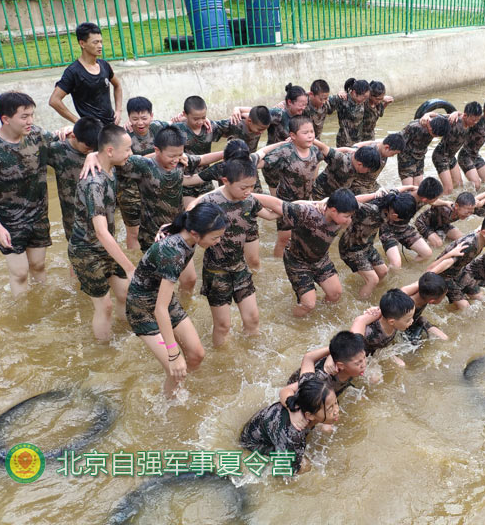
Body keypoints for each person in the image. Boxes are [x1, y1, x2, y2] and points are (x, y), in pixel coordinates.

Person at [87, 125, 223, 292]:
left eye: (179, 154)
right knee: (158, 287)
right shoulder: (143, 165)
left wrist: (226, 154)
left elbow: (201, 159)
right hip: (153, 235)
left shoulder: (180, 160)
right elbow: (110, 156)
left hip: (178, 229)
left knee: (190, 280)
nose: (176, 159)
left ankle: (180, 311)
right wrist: (91, 156)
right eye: (171, 156)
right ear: (157, 150)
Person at [126, 203, 227, 397]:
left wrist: (165, 227)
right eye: (215, 237)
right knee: (176, 371)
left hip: (162, 297)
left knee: (197, 355)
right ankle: (169, 406)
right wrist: (173, 355)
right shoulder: (173, 255)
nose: (218, 241)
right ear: (196, 234)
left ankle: (183, 386)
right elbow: (159, 310)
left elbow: (174, 223)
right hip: (142, 307)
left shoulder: (186, 232)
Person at [0, 92, 61, 295]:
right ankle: (22, 319)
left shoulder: (37, 135)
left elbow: (67, 138)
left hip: (38, 216)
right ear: (5, 119)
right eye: (24, 116)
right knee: (20, 273)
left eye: (32, 115)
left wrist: (69, 130)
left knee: (39, 266)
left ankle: (41, 311)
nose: (30, 121)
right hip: (9, 221)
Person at [191, 159, 278, 345]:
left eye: (252, 186)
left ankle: (252, 356)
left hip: (240, 268)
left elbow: (271, 215)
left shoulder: (249, 201)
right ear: (225, 181)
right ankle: (221, 362)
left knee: (253, 318)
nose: (248, 191)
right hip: (216, 272)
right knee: (223, 326)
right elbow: (189, 224)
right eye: (243, 187)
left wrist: (302, 208)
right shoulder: (210, 202)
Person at [68, 125, 134, 341]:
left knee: (125, 294)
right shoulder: (94, 182)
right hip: (86, 251)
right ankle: (103, 353)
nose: (130, 154)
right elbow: (101, 232)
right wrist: (130, 266)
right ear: (110, 151)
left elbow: (144, 159)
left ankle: (126, 335)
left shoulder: (112, 165)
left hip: (105, 247)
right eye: (127, 150)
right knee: (104, 306)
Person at [252, 188, 358, 317]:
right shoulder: (308, 212)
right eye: (347, 216)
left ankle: (321, 317)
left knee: (335, 293)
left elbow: (359, 200)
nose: (349, 220)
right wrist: (246, 194)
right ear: (333, 210)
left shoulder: (341, 212)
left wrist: (323, 200)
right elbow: (277, 204)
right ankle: (296, 323)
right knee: (308, 304)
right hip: (297, 262)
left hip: (320, 259)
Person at [241, 376, 338, 476]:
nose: (336, 411)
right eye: (330, 409)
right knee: (305, 466)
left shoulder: (312, 389)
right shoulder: (293, 435)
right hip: (254, 444)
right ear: (310, 415)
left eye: (336, 403)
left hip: (268, 427)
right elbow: (285, 471)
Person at [260, 114, 329, 257]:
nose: (310, 136)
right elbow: (261, 163)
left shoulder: (315, 149)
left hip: (307, 199)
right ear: (293, 135)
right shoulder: (285, 152)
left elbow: (325, 157)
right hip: (286, 202)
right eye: (305, 133)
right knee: (284, 239)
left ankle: (300, 259)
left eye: (312, 132)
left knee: (306, 236)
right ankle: (278, 265)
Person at [338, 189, 417, 299]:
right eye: (401, 219)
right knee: (373, 280)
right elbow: (349, 202)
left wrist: (411, 186)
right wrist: (373, 194)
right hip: (351, 248)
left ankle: (369, 291)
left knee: (383, 272)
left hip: (367, 245)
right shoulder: (369, 210)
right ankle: (361, 304)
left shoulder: (392, 199)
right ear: (394, 215)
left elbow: (396, 189)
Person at [427, 211, 485, 310]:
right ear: (484, 233)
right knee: (465, 307)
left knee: (480, 298)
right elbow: (447, 262)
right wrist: (430, 274)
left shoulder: (483, 238)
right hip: (444, 275)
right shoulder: (469, 245)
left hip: (459, 271)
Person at [118, 97, 171, 249]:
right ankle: (135, 266)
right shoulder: (123, 136)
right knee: (133, 233)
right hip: (130, 190)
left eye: (144, 118)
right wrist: (158, 155)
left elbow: (178, 133)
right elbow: (127, 162)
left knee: (158, 228)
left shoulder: (160, 128)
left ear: (151, 116)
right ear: (129, 118)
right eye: (135, 119)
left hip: (154, 188)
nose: (140, 123)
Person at [44, 116, 104, 243]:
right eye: (87, 147)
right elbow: (28, 146)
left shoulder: (100, 146)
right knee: (76, 247)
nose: (91, 151)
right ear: (74, 137)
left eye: (94, 148)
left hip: (99, 209)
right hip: (72, 214)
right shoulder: (57, 149)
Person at [49, 22, 122, 126]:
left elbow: (117, 85)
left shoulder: (104, 65)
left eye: (101, 42)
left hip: (111, 127)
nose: (100, 46)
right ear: (82, 44)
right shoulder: (73, 71)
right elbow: (54, 100)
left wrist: (118, 111)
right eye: (95, 42)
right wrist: (77, 121)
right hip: (91, 131)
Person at [170, 95, 234, 203]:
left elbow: (235, 124)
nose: (200, 122)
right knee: (191, 215)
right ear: (185, 114)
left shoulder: (209, 127)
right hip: (185, 182)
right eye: (195, 119)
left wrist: (238, 110)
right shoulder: (177, 130)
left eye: (203, 117)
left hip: (205, 181)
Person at [379, 176, 445, 268]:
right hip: (388, 231)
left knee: (427, 253)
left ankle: (409, 269)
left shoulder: (422, 194)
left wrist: (446, 203)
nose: (436, 199)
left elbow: (433, 202)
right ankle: (389, 275)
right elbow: (385, 198)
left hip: (404, 229)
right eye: (436, 197)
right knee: (396, 264)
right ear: (425, 199)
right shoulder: (401, 198)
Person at [350, 288, 415, 363]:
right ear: (391, 322)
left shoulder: (392, 314)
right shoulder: (372, 334)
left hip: (381, 347)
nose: (412, 321)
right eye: (408, 320)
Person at [432, 101, 482, 194]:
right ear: (465, 115)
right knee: (448, 189)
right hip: (440, 156)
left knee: (459, 185)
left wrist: (457, 112)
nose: (475, 122)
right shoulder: (453, 121)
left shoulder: (470, 123)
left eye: (477, 120)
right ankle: (434, 204)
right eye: (473, 120)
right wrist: (426, 115)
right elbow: (436, 118)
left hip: (451, 157)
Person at [310, 140, 381, 200]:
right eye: (368, 170)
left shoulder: (358, 155)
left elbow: (357, 145)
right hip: (320, 193)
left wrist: (375, 142)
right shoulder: (341, 160)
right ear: (360, 164)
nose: (367, 172)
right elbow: (323, 148)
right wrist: (311, 138)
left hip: (336, 194)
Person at [397, 114, 451, 186]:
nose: (434, 136)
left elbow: (444, 115)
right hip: (406, 158)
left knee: (418, 187)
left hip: (420, 157)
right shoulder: (413, 127)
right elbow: (398, 140)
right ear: (430, 126)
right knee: (408, 189)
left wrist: (427, 114)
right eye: (434, 134)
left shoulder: (439, 122)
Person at [399, 272, 449, 343]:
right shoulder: (406, 307)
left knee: (445, 339)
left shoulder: (423, 287)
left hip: (417, 320)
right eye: (443, 296)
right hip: (404, 326)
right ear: (431, 301)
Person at [330, 78, 369, 147]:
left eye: (366, 97)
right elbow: (324, 104)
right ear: (354, 93)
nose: (365, 100)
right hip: (345, 142)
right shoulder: (343, 99)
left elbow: (376, 96)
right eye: (364, 97)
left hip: (359, 140)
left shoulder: (362, 101)